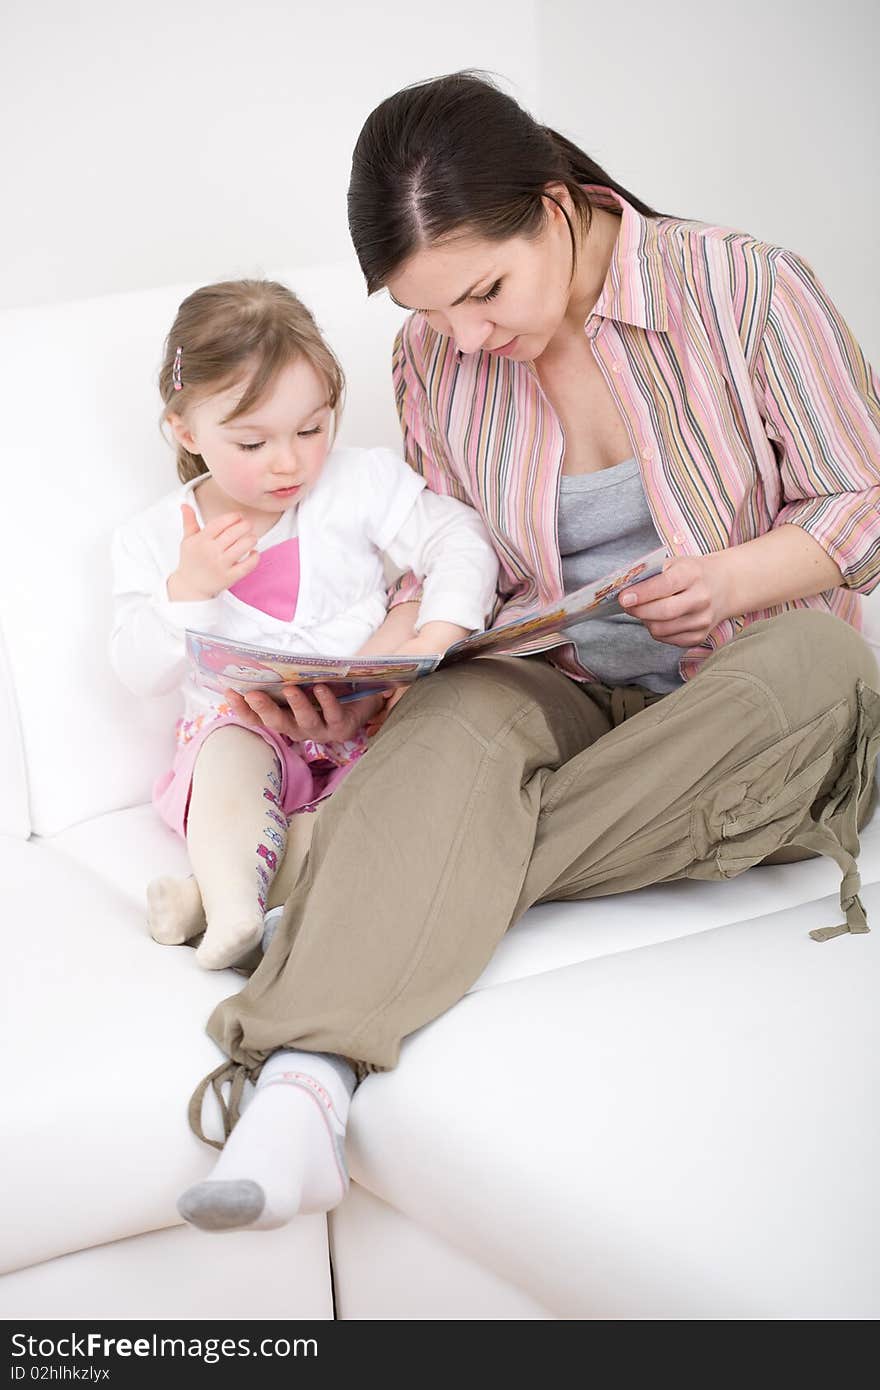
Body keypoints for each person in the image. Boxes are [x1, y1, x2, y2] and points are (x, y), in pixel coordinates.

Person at [176, 73, 880, 1233]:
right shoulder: (432, 358)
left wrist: (732, 579)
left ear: (556, 207)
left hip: (742, 689)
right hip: (553, 680)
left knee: (826, 672)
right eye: (431, 312)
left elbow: (864, 492)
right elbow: (455, 560)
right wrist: (378, 675)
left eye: (484, 293)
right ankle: (300, 1088)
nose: (465, 336)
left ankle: (367, 869)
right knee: (451, 721)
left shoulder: (743, 286)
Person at [110, 277, 499, 981]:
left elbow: (460, 537)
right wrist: (188, 591)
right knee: (230, 758)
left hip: (360, 735)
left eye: (312, 429)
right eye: (252, 442)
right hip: (245, 735)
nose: (288, 461)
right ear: (186, 430)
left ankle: (216, 898)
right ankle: (233, 910)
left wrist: (434, 632)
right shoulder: (155, 538)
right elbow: (137, 672)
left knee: (392, 814)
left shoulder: (359, 485)